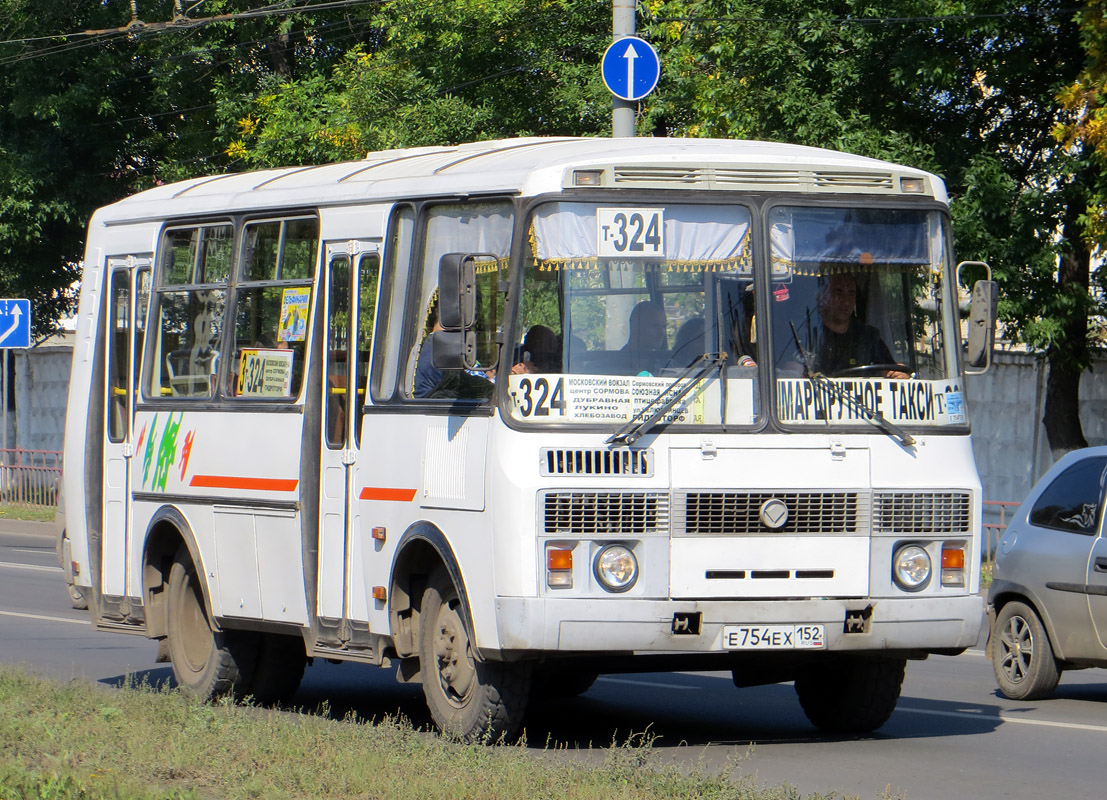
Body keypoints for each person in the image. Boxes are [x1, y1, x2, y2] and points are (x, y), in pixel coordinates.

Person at [812, 273, 908, 379]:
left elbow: (889, 371)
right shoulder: (810, 334)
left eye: (851, 294)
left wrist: (899, 375)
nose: (846, 301)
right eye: (838, 293)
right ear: (821, 298)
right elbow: (794, 371)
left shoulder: (868, 336)